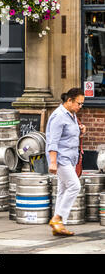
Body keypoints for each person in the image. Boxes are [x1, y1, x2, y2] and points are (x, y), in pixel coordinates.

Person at [46, 88, 86, 236]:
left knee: (63, 190)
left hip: (70, 157)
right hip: (61, 158)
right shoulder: (58, 116)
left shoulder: (72, 115)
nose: (80, 107)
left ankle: (59, 226)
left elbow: (69, 135)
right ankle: (58, 217)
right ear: (69, 100)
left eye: (82, 104)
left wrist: (81, 131)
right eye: (78, 103)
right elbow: (53, 141)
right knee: (75, 186)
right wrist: (53, 162)